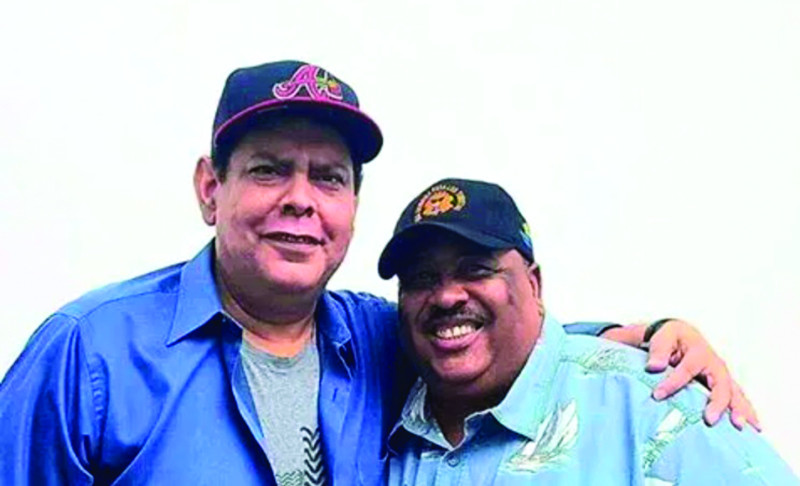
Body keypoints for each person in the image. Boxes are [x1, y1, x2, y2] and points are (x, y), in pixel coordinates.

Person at [0, 61, 754, 485]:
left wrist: (657, 335)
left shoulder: (376, 339)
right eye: (268, 171)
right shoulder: (86, 355)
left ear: (351, 207)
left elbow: (501, 338)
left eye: (327, 177)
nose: (300, 200)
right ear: (209, 188)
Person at [380, 178, 797, 485]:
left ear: (534, 284)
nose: (446, 296)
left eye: (475, 269)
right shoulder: (378, 414)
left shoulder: (657, 407)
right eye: (420, 278)